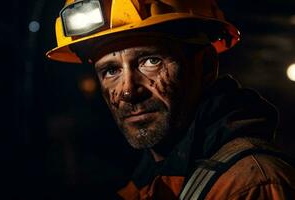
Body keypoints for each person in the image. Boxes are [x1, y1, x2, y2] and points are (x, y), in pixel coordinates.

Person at [46, 0, 295, 199]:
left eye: (150, 61)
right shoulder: (152, 180)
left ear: (206, 66)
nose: (128, 91)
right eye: (111, 71)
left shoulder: (249, 185)